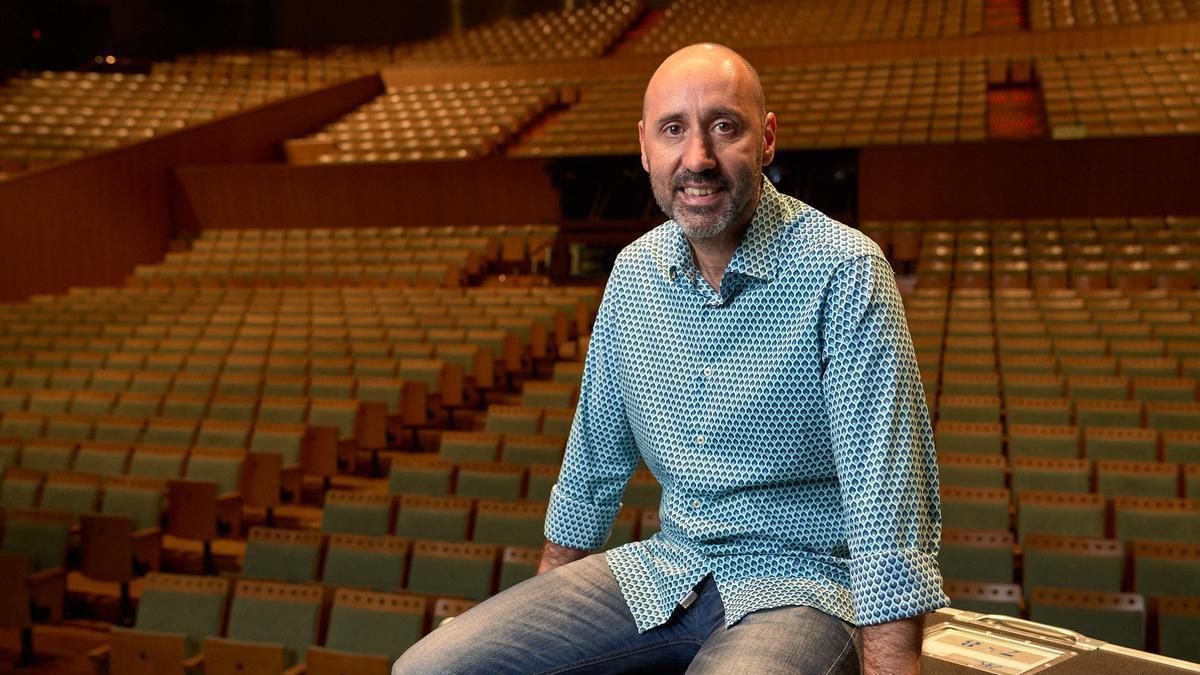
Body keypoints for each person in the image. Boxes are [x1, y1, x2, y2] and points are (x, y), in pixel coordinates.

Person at [392, 42, 945, 675]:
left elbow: (888, 502)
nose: (697, 159)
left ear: (766, 140)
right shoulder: (633, 272)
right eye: (674, 130)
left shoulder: (844, 270)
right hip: (666, 568)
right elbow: (592, 462)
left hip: (805, 587)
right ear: (645, 146)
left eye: (724, 127)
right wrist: (543, 598)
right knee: (429, 669)